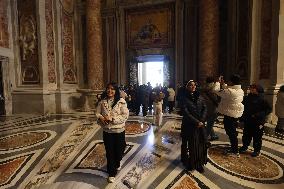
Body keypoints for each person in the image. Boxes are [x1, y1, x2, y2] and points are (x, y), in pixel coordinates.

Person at [95, 82, 129, 183]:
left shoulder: (121, 101)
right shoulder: (102, 101)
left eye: (112, 89)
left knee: (119, 149)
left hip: (119, 131)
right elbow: (97, 113)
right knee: (109, 152)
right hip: (107, 131)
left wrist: (112, 119)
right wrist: (101, 118)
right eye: (108, 89)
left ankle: (117, 162)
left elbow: (125, 116)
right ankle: (111, 173)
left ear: (116, 91)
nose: (110, 91)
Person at [213, 74, 244, 157]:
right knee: (232, 132)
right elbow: (229, 90)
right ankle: (234, 148)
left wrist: (217, 82)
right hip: (234, 114)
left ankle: (235, 151)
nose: (228, 82)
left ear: (232, 82)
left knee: (231, 133)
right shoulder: (240, 90)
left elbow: (216, 90)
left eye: (229, 80)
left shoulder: (229, 91)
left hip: (230, 114)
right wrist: (223, 84)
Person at [180, 80, 208, 173]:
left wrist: (202, 120)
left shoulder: (200, 96)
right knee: (191, 145)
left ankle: (199, 164)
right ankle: (191, 163)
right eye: (191, 85)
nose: (193, 86)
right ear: (187, 87)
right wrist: (197, 122)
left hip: (200, 124)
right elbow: (185, 112)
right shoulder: (183, 97)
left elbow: (205, 108)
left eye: (194, 85)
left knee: (200, 144)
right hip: (189, 124)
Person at [239, 84, 271, 157]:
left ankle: (257, 150)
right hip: (248, 120)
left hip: (258, 121)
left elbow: (268, 109)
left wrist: (258, 114)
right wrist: (242, 117)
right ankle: (245, 146)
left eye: (253, 88)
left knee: (257, 136)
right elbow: (243, 108)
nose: (251, 89)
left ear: (258, 90)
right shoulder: (247, 98)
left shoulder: (263, 99)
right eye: (251, 88)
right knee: (246, 134)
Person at [202, 76, 220, 141]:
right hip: (212, 110)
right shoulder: (214, 90)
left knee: (209, 123)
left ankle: (213, 135)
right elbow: (216, 100)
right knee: (210, 124)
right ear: (213, 82)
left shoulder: (203, 89)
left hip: (204, 109)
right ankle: (204, 137)